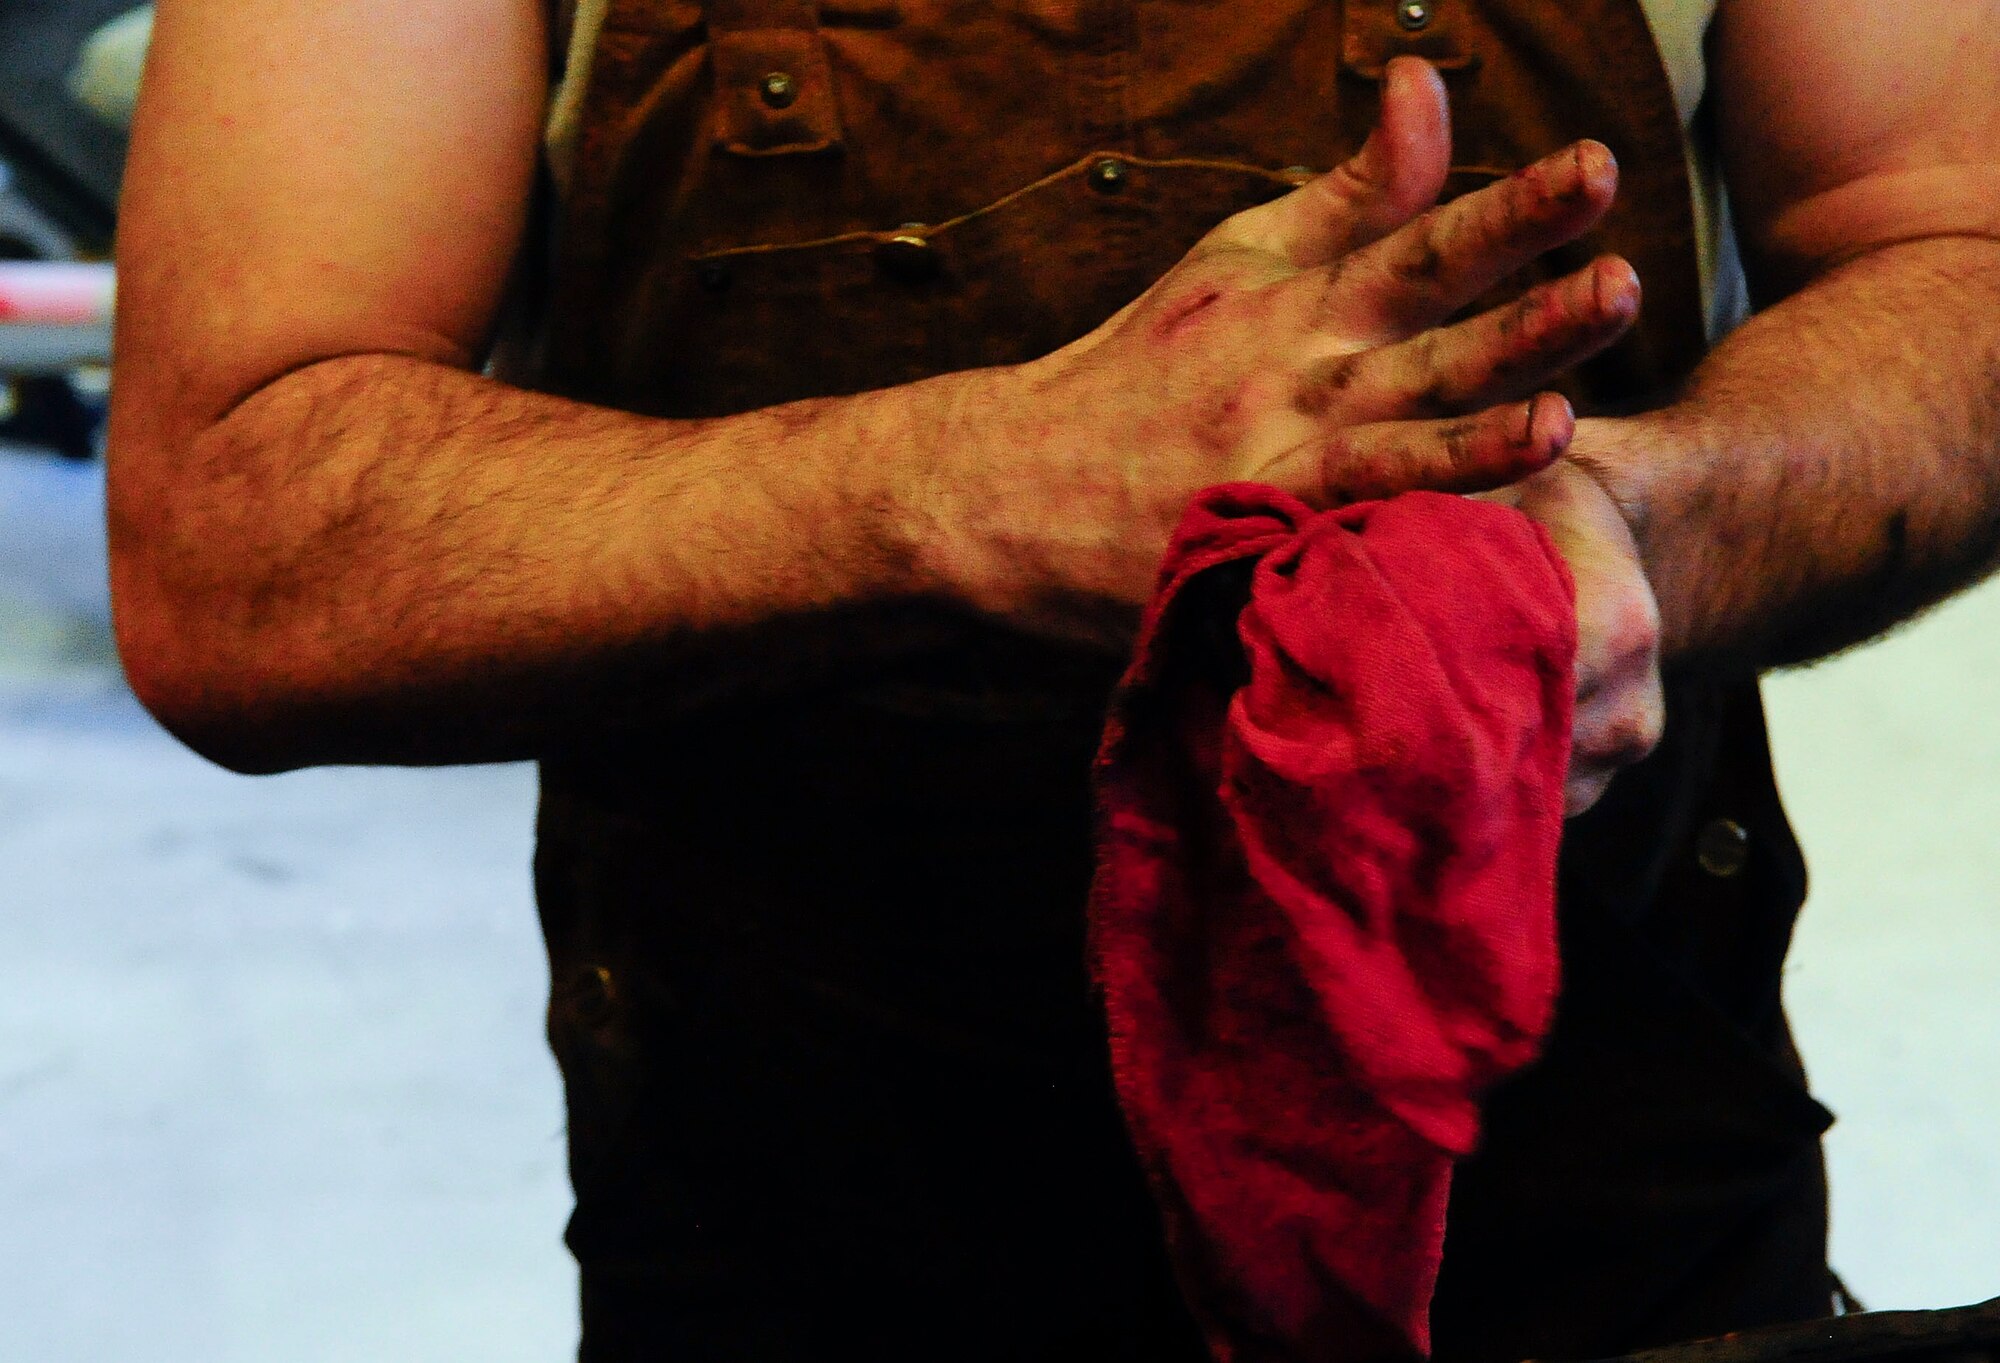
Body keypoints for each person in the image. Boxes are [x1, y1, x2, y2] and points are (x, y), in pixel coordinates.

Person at [105, 0, 2000, 1359]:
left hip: (1613, 1235)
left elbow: (1955, 247)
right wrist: (952, 487)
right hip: (794, 1244)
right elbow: (231, 530)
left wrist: (1639, 525)